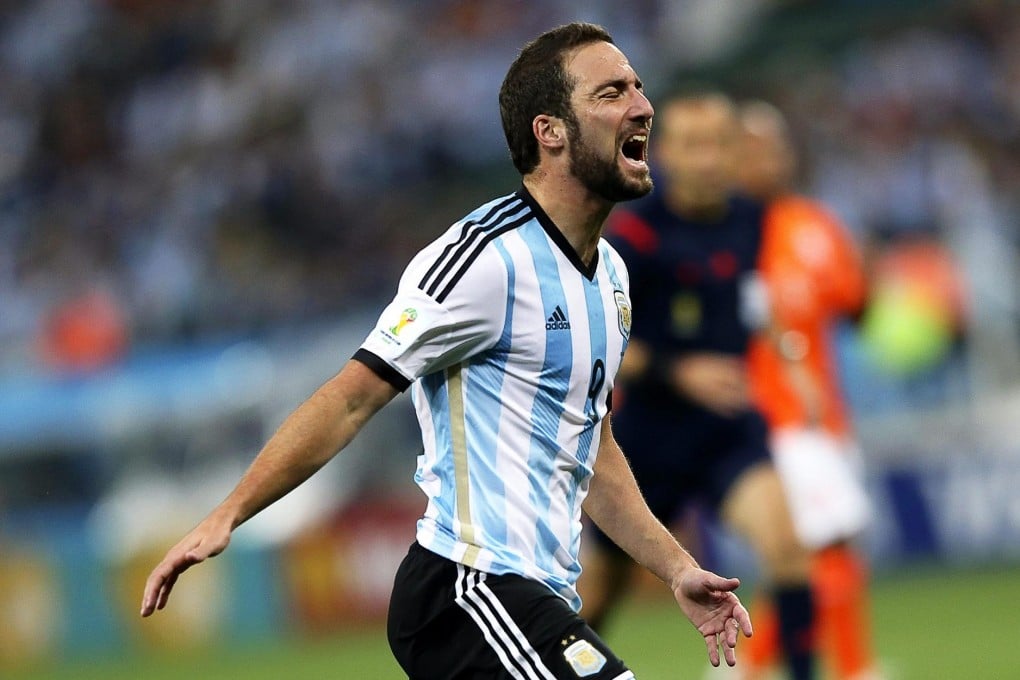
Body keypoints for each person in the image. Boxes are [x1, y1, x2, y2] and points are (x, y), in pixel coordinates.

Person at [140, 23, 753, 679]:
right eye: (611, 92)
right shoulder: (481, 260)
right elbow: (350, 398)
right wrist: (229, 514)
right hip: (466, 588)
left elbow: (594, 451)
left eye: (637, 86)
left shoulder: (611, 278)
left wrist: (677, 569)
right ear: (550, 131)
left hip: (538, 598)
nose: (641, 105)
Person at [577, 90, 817, 680]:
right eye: (690, 145)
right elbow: (596, 338)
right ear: (666, 155)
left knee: (788, 550)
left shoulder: (750, 219)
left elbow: (756, 300)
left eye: (717, 144)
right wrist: (676, 371)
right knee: (598, 594)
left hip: (726, 432)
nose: (705, 158)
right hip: (647, 440)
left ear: (734, 152)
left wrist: (791, 358)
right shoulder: (634, 238)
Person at [739, 100, 882, 680]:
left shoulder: (816, 225)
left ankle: (844, 666)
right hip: (773, 418)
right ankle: (774, 667)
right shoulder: (727, 234)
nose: (768, 159)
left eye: (775, 146)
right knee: (825, 550)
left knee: (830, 552)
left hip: (826, 416)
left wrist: (870, 277)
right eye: (752, 149)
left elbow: (855, 308)